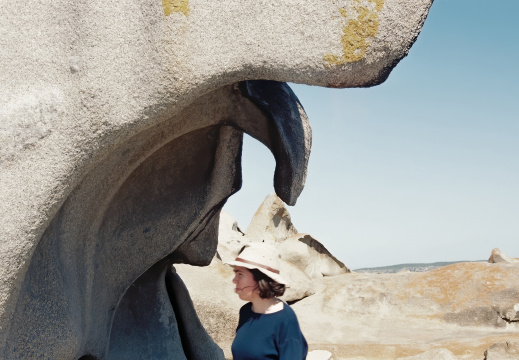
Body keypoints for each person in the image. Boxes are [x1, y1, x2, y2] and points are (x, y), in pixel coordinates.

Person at [226, 242, 308, 360]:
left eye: (240, 274)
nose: (234, 280)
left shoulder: (285, 320)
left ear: (260, 278)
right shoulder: (245, 312)